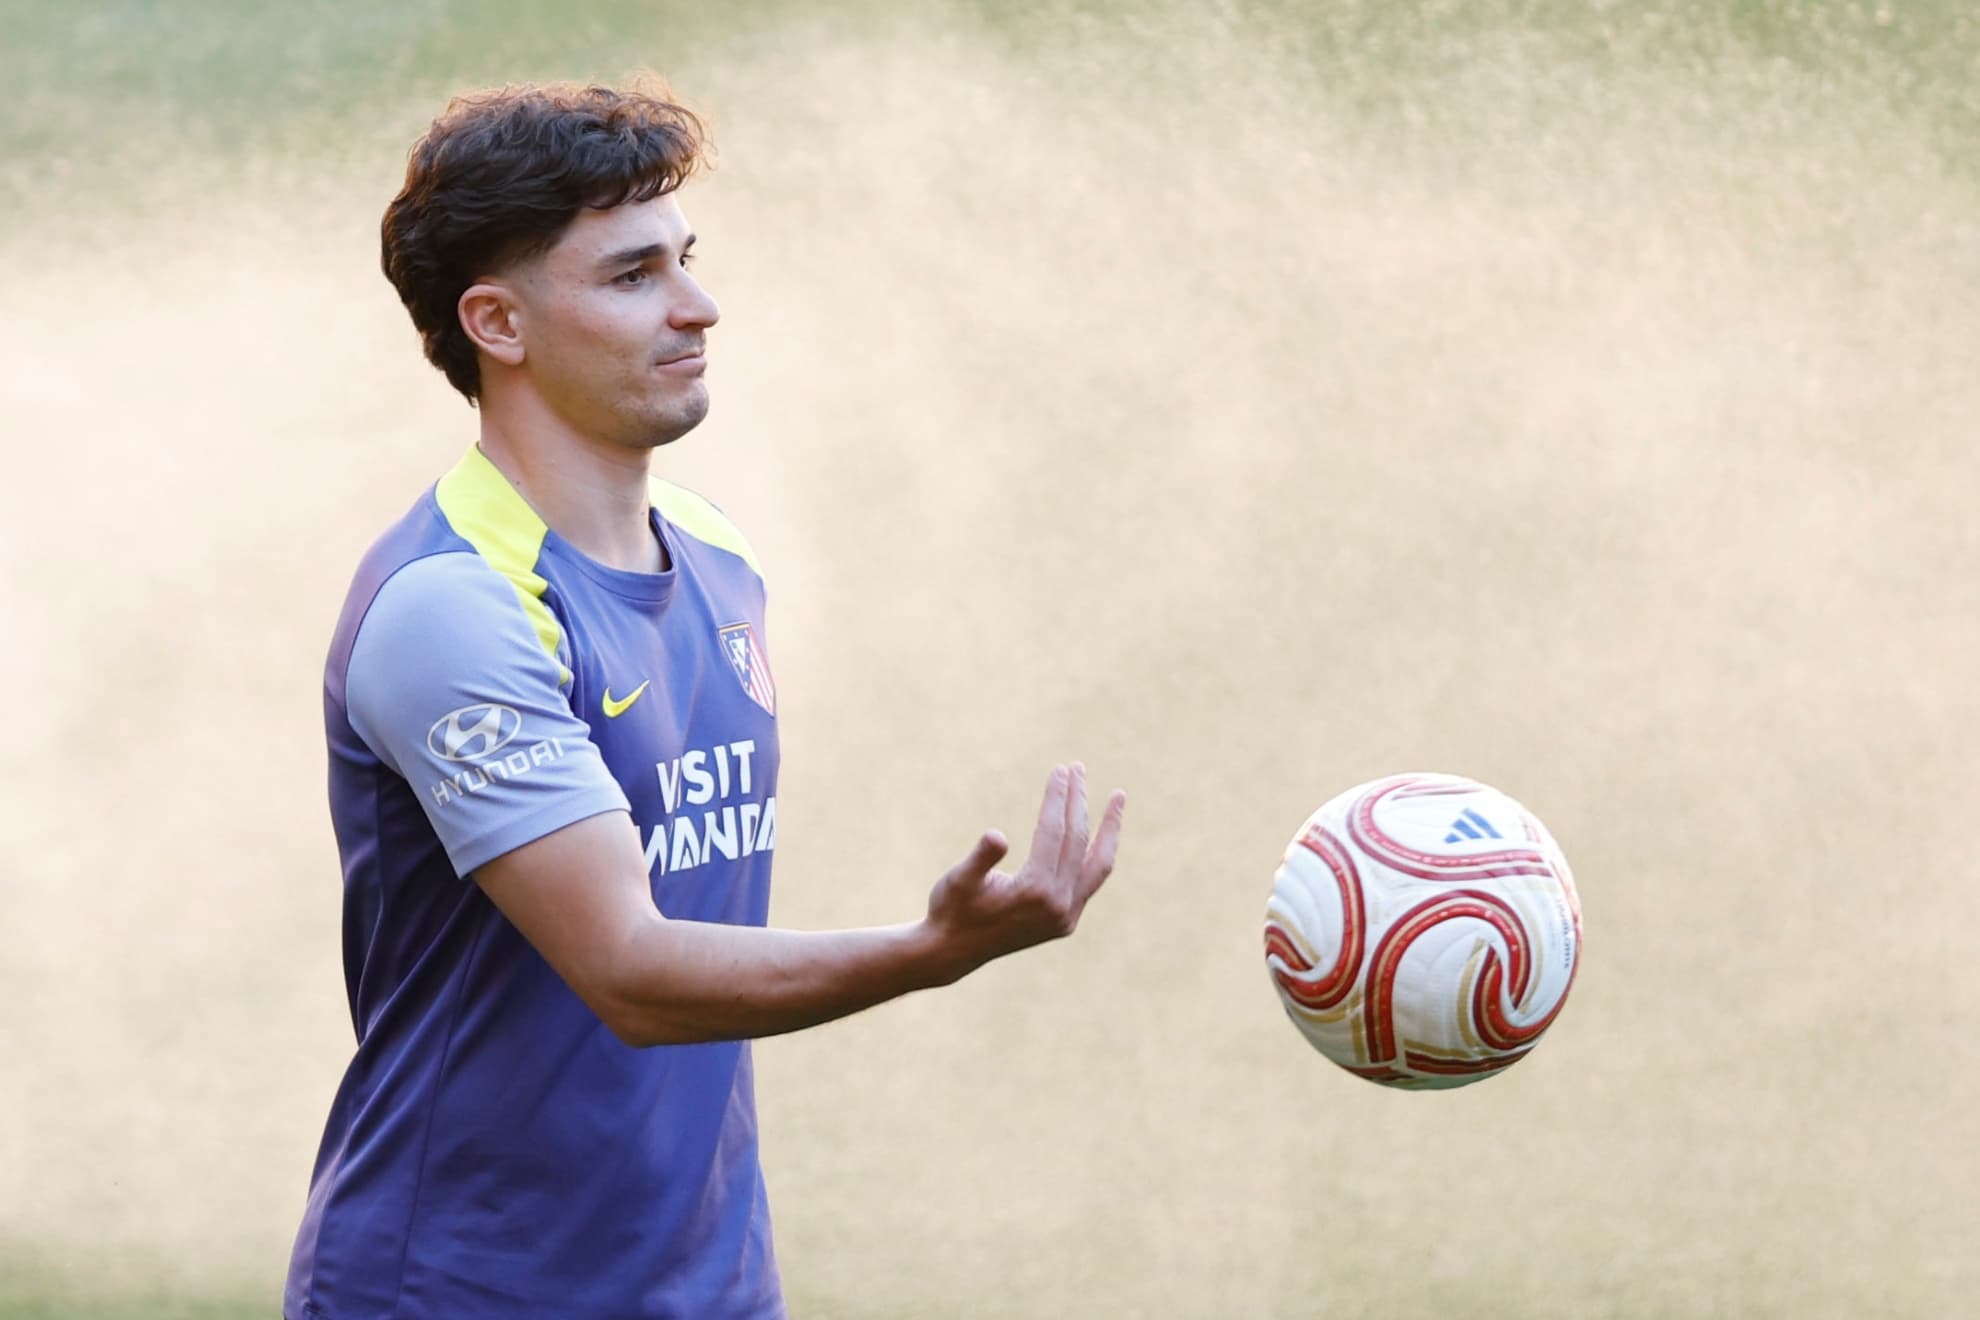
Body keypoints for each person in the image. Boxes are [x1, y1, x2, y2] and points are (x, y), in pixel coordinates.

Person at [282, 81, 1126, 1320]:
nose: (698, 306)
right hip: (462, 1289)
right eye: (632, 277)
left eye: (685, 260)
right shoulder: (454, 609)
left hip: (708, 1288)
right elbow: (628, 970)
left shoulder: (718, 557)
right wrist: (928, 954)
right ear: (497, 323)